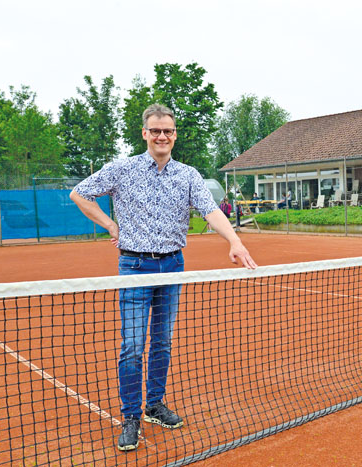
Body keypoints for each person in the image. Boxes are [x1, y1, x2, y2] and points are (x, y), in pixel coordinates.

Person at [70, 104, 257, 451]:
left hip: (172, 266)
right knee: (132, 346)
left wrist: (235, 241)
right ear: (145, 133)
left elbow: (211, 210)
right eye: (155, 130)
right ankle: (131, 416)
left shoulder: (188, 175)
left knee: (163, 342)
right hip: (134, 269)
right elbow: (79, 192)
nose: (161, 136)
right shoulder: (122, 168)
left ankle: (154, 403)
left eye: (168, 131)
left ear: (174, 135)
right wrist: (110, 224)